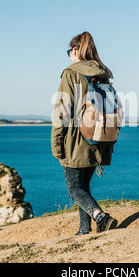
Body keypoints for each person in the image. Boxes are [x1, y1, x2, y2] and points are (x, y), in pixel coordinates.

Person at [51, 31, 118, 235]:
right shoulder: (102, 73)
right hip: (99, 138)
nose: (69, 55)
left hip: (75, 141)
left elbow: (61, 111)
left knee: (74, 189)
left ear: (76, 50)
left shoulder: (71, 73)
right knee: (83, 187)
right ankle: (84, 229)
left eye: (69, 50)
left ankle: (101, 217)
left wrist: (56, 143)